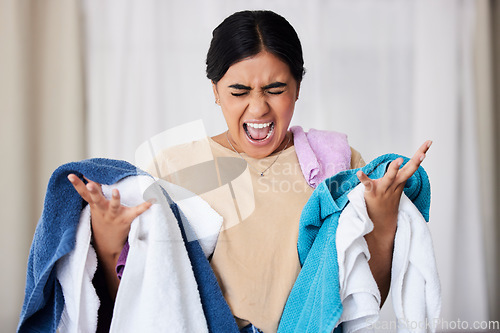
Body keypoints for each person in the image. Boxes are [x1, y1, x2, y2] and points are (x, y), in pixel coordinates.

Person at [68, 10, 431, 333]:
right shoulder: (172, 169)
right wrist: (107, 239)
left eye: (275, 89)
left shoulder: (339, 165)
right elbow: (137, 304)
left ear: (298, 88)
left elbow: (364, 301)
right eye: (239, 91)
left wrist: (383, 221)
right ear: (215, 91)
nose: (258, 108)